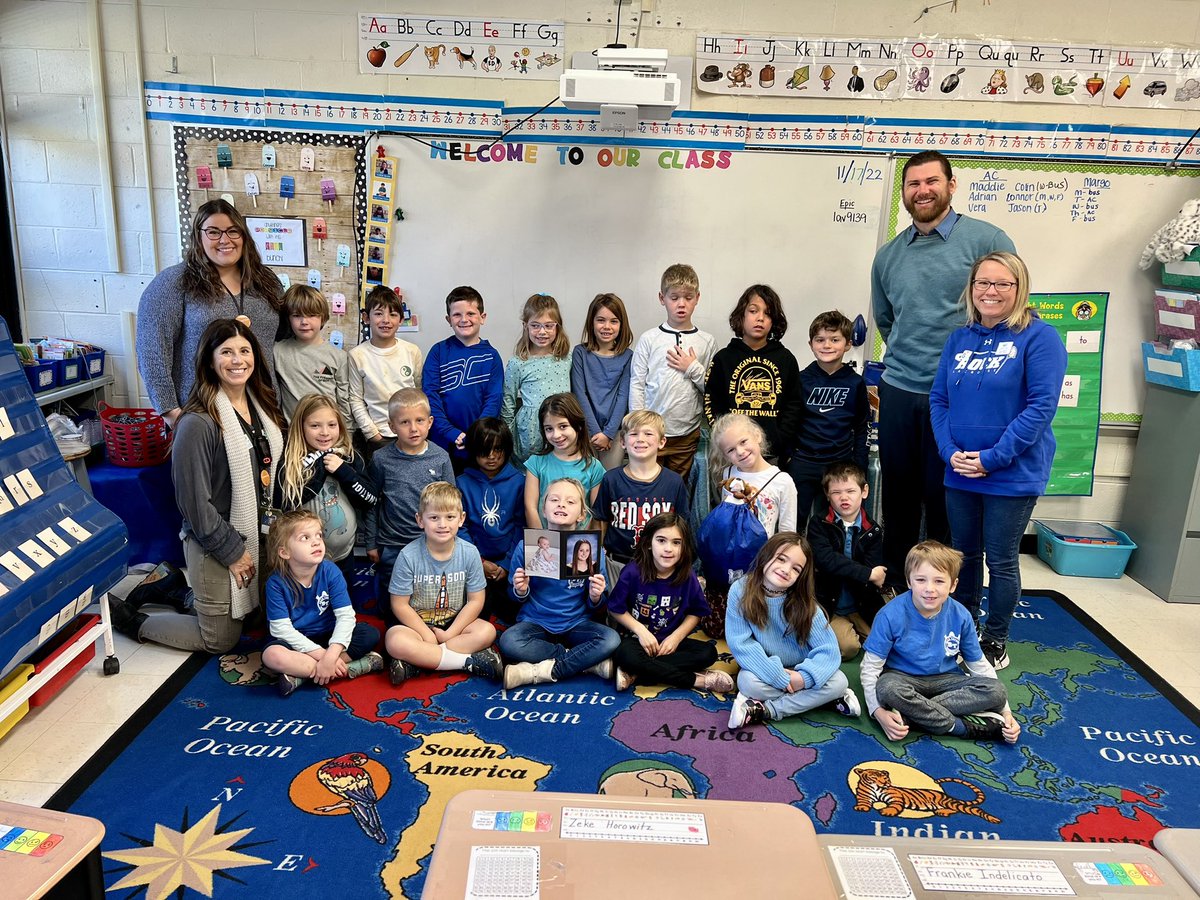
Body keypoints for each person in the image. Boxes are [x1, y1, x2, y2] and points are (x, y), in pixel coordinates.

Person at [870, 150, 1016, 587]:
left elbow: (1008, 310)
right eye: (913, 184)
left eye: (932, 181)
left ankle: (939, 588)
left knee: (944, 498)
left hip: (959, 396)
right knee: (898, 496)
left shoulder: (987, 240)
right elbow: (886, 320)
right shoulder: (889, 256)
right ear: (905, 193)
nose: (923, 191)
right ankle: (897, 584)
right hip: (899, 389)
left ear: (951, 186)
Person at [109, 319, 284, 652]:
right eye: (227, 352)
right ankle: (130, 619)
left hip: (258, 534)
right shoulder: (198, 421)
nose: (238, 360)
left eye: (245, 351)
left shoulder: (263, 408)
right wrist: (233, 553)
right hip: (213, 540)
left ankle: (172, 588)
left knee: (259, 619)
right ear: (209, 360)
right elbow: (194, 505)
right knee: (220, 638)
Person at [930, 251, 1067, 669]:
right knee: (963, 555)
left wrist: (992, 458)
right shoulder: (960, 338)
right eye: (982, 283)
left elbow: (1041, 408)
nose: (990, 291)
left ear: (1019, 288)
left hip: (1012, 472)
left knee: (1002, 559)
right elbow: (939, 399)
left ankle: (995, 640)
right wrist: (950, 453)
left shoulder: (1040, 338)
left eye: (1002, 284)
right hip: (961, 471)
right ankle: (965, 629)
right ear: (971, 289)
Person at [137, 199, 284, 425]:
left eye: (233, 231)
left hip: (262, 409)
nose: (225, 240)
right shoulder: (173, 283)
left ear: (244, 236)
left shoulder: (266, 282)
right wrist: (172, 414)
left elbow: (281, 341)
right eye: (214, 232)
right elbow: (152, 352)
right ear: (199, 237)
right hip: (203, 414)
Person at [860, 541, 1020, 743]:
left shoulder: (961, 615)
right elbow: (870, 668)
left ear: (953, 585)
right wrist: (878, 713)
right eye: (920, 580)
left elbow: (978, 665)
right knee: (887, 688)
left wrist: (1006, 713)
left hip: (946, 680)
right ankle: (961, 728)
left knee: (996, 691)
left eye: (939, 581)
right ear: (909, 581)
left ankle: (912, 715)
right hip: (902, 679)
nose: (929, 589)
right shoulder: (889, 614)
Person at [725, 532, 861, 729]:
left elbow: (829, 650)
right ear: (766, 555)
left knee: (839, 681)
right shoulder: (740, 590)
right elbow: (742, 644)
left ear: (801, 576)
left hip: (801, 668)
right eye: (781, 559)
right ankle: (825, 699)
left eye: (796, 569)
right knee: (747, 682)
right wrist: (778, 676)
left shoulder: (805, 603)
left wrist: (802, 678)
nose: (786, 570)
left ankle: (766, 711)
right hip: (766, 668)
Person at [500, 478, 620, 688]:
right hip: (536, 622)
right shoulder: (525, 547)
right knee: (509, 641)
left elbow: (599, 608)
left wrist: (596, 596)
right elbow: (513, 596)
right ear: (544, 510)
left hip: (577, 624)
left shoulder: (592, 550)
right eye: (554, 500)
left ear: (582, 515)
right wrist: (520, 590)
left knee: (611, 639)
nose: (561, 504)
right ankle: (583, 662)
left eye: (570, 502)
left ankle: (538, 671)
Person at [383, 482, 503, 686]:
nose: (442, 524)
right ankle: (466, 662)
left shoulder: (470, 553)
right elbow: (399, 604)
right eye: (434, 518)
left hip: (456, 624)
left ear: (461, 519)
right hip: (417, 626)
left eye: (450, 517)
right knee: (394, 640)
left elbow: (476, 601)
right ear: (420, 520)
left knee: (487, 631)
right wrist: (425, 635)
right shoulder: (408, 555)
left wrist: (450, 633)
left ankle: (417, 663)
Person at [261, 510, 383, 697]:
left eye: (319, 535)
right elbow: (281, 629)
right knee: (272, 655)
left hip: (328, 635)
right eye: (305, 538)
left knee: (369, 634)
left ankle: (303, 675)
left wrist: (331, 654)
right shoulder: (276, 583)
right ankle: (353, 667)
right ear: (284, 552)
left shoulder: (330, 571)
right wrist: (322, 656)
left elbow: (346, 616)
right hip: (296, 641)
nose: (316, 541)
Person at [608, 512, 732, 693]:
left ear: (684, 547)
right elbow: (615, 609)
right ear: (649, 543)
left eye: (676, 542)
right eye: (661, 540)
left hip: (670, 643)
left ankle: (636, 673)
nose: (668, 549)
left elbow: (696, 612)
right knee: (624, 655)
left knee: (708, 653)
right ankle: (695, 680)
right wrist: (641, 631)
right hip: (637, 641)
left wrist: (677, 637)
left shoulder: (687, 574)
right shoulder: (633, 571)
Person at [363, 388, 456, 619]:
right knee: (391, 600)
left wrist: (452, 539)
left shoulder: (441, 457)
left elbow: (452, 503)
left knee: (426, 599)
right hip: (393, 544)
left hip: (430, 543)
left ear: (430, 422)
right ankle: (393, 641)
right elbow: (372, 502)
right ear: (392, 426)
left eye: (419, 421)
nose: (413, 428)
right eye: (404, 422)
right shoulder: (381, 459)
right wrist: (371, 542)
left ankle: (421, 640)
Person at [275, 393, 377, 582]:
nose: (325, 432)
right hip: (302, 562)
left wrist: (344, 472)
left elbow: (370, 499)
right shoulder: (290, 463)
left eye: (332, 425)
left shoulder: (349, 458)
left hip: (343, 556)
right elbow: (286, 504)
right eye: (315, 425)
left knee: (344, 607)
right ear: (301, 427)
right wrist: (319, 467)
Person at [629, 263, 716, 481]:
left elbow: (713, 389)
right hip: (650, 432)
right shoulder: (649, 339)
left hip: (686, 434)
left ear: (697, 298)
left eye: (688, 297)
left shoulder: (707, 341)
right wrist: (638, 425)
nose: (681, 304)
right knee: (647, 485)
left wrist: (692, 368)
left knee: (676, 488)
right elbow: (637, 382)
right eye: (674, 297)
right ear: (662, 298)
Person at [703, 284, 802, 466]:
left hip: (771, 455)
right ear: (741, 316)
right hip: (730, 455)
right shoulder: (724, 358)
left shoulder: (786, 359)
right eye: (753, 311)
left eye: (768, 313)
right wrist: (725, 437)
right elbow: (712, 402)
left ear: (774, 321)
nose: (760, 318)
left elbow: (794, 405)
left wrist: (780, 439)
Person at [788, 311, 870, 530]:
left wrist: (859, 466)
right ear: (811, 344)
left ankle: (829, 563)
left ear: (847, 344)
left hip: (838, 464)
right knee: (794, 520)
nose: (827, 345)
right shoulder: (802, 379)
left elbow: (862, 427)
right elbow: (791, 421)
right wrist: (789, 457)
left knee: (833, 525)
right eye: (820, 340)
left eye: (835, 340)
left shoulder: (855, 383)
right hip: (804, 461)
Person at [594, 409, 690, 586]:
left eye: (648, 433)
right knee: (616, 611)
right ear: (622, 441)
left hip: (660, 566)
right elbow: (601, 521)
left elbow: (682, 527)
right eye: (634, 434)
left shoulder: (674, 482)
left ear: (662, 442)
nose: (640, 439)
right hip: (618, 564)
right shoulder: (611, 479)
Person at [807, 461, 886, 660]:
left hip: (860, 603)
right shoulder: (819, 524)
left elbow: (874, 568)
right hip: (830, 605)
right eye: (836, 492)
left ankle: (853, 630)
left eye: (851, 491)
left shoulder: (873, 530)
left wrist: (870, 574)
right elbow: (826, 560)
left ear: (864, 491)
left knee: (885, 644)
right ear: (827, 495)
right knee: (849, 649)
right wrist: (868, 574)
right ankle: (823, 636)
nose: (844, 497)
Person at [423, 285, 505, 471]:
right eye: (457, 315)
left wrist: (476, 435)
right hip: (442, 441)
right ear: (448, 319)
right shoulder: (438, 352)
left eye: (470, 313)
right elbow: (430, 396)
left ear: (482, 318)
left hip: (479, 443)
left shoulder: (492, 356)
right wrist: (451, 432)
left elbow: (494, 399)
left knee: (472, 492)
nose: (464, 319)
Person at [458, 417, 525, 622]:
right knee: (475, 613)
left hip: (510, 564)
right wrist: (480, 562)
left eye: (498, 449)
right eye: (484, 451)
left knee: (513, 613)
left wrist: (506, 564)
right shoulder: (462, 483)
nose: (491, 457)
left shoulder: (519, 482)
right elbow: (460, 528)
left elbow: (522, 526)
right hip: (474, 563)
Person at [348, 285, 423, 453]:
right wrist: (372, 433)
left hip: (410, 433)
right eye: (379, 314)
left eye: (393, 314)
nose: (386, 320)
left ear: (401, 320)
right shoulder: (357, 355)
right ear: (366, 318)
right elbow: (355, 398)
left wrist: (417, 427)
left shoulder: (412, 351)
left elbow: (418, 391)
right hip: (378, 436)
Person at [501, 294, 572, 467]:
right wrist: (509, 437)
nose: (542, 332)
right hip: (529, 432)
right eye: (535, 326)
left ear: (557, 327)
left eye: (548, 326)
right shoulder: (518, 362)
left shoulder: (566, 359)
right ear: (525, 326)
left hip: (561, 426)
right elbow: (508, 402)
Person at [571, 292, 634, 470]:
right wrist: (595, 432)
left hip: (614, 433)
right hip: (585, 431)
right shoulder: (580, 354)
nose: (607, 326)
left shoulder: (629, 357)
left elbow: (623, 397)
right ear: (591, 322)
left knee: (609, 481)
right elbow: (579, 394)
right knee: (584, 483)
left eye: (614, 321)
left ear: (622, 325)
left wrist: (608, 433)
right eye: (601, 320)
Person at [523, 393, 606, 527]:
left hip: (580, 544)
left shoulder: (594, 467)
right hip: (545, 543)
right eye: (549, 429)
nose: (556, 435)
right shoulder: (536, 463)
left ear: (578, 426)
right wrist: (542, 541)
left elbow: (597, 514)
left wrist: (587, 545)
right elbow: (530, 508)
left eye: (563, 426)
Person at [272, 284, 351, 423]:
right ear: (288, 318)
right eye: (297, 316)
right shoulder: (277, 351)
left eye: (312, 315)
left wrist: (347, 435)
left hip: (327, 435)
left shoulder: (339, 357)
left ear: (323, 317)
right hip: (293, 435)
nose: (304, 322)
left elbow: (344, 401)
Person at [709, 413, 797, 536]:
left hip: (763, 553)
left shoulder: (783, 481)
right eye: (731, 450)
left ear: (757, 436)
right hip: (731, 551)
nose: (740, 451)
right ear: (725, 456)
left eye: (743, 441)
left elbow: (788, 533)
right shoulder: (728, 474)